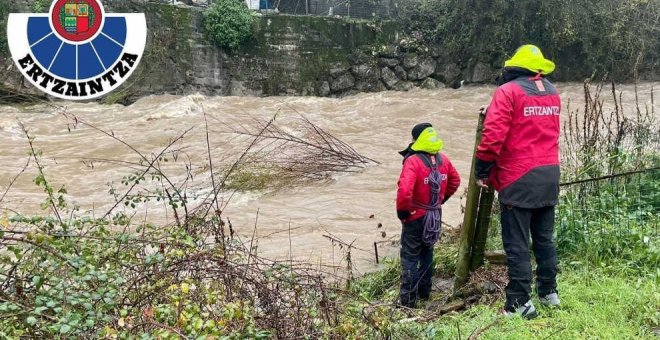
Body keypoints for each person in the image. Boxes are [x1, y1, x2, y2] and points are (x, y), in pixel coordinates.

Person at [475, 44, 561, 319]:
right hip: (549, 174)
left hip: (518, 177)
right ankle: (549, 292)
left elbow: (492, 136)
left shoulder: (507, 92)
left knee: (517, 244)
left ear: (513, 67)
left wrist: (482, 170)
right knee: (544, 239)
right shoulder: (552, 91)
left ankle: (519, 302)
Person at [396, 123, 460, 308]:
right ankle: (425, 293)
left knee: (409, 258)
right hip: (434, 217)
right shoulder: (443, 160)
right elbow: (455, 181)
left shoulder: (413, 161)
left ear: (416, 140)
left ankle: (408, 301)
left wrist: (403, 214)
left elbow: (404, 191)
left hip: (415, 216)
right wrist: (438, 203)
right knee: (427, 253)